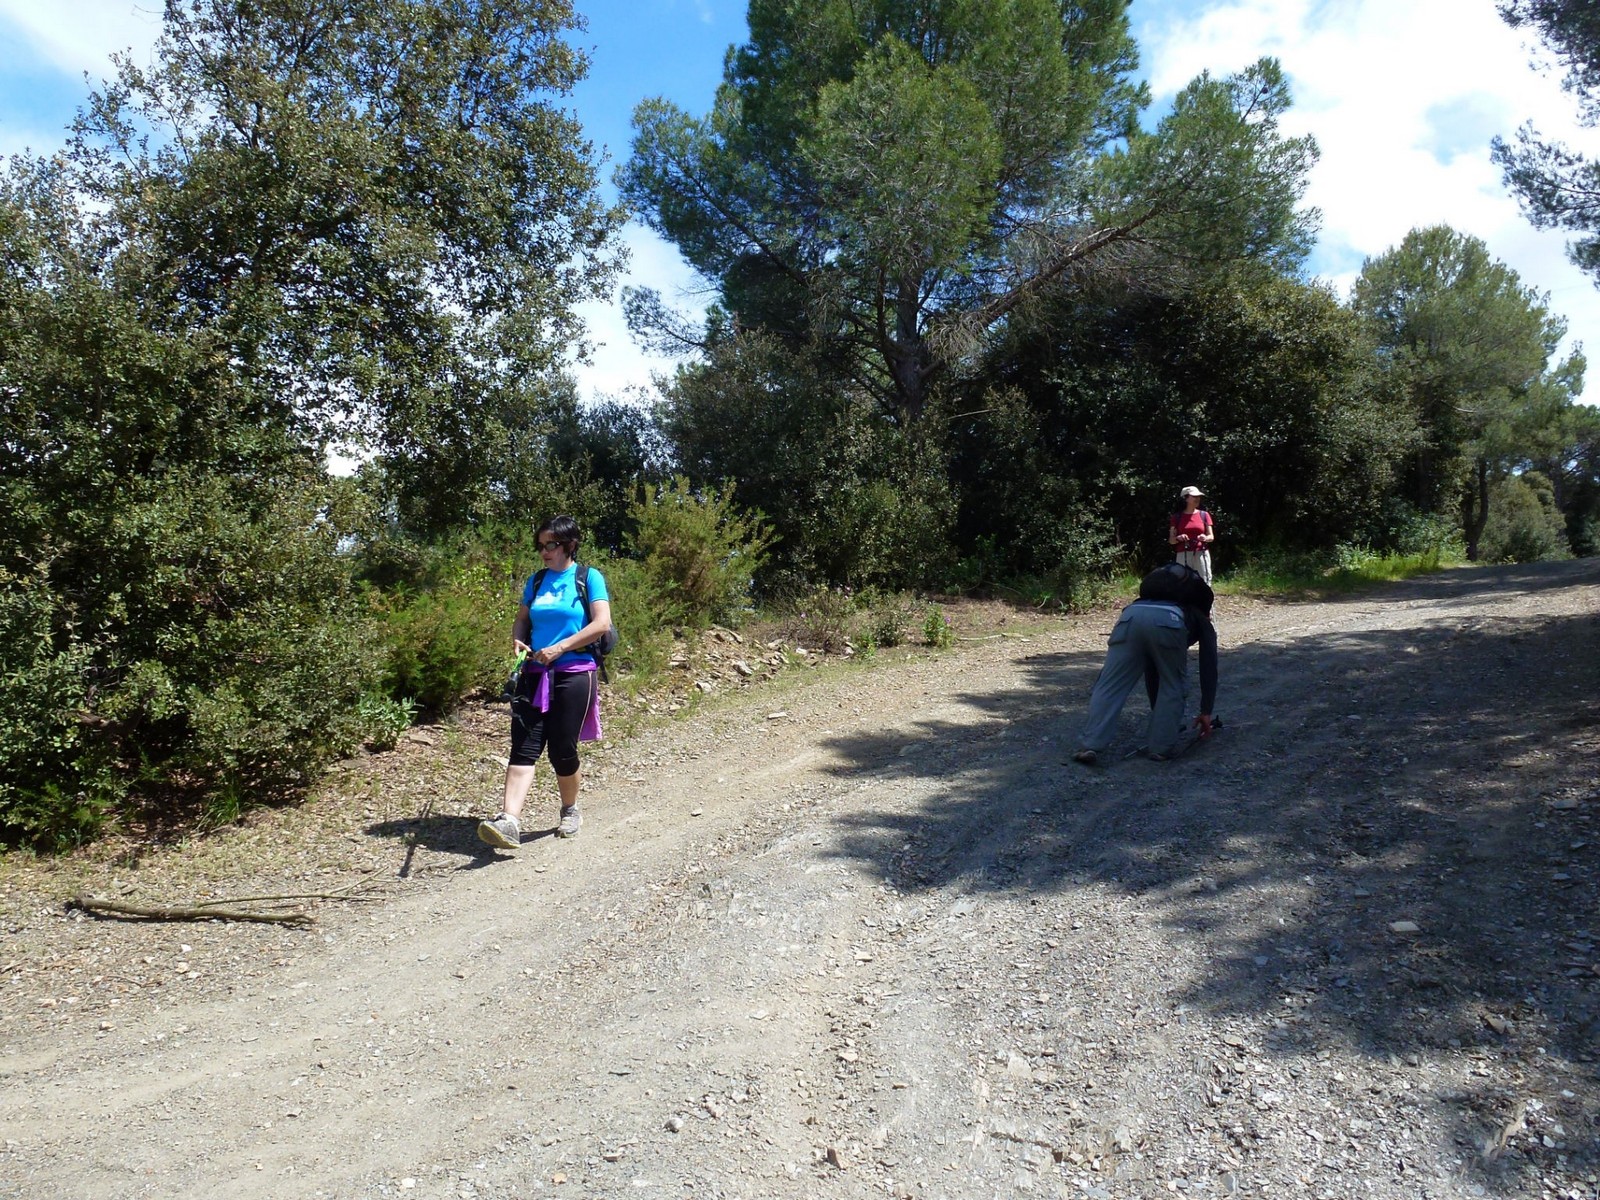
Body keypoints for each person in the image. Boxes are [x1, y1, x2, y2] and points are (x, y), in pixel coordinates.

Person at [478, 515, 612, 849]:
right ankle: (509, 821)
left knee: (562, 749)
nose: (544, 552)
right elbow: (522, 620)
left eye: (550, 545)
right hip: (534, 673)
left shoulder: (588, 578)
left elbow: (601, 624)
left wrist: (560, 648)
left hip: (575, 672)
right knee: (523, 746)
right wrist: (517, 639)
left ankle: (570, 809)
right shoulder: (536, 581)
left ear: (570, 544)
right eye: (540, 546)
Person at [1073, 561, 1217, 764]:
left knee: (1110, 684)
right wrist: (1206, 711)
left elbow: (1152, 669)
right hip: (1169, 622)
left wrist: (1157, 711)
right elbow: (1208, 664)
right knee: (1173, 684)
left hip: (1130, 616)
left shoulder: (1150, 597)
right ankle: (1160, 748)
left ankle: (1090, 745)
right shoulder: (1199, 617)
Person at [1169, 485, 1215, 583]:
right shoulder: (1176, 517)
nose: (1198, 498)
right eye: (1194, 496)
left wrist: (1205, 538)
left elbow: (1211, 536)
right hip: (1182, 553)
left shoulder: (1204, 515)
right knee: (1182, 582)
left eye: (1198, 496)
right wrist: (1178, 538)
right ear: (1185, 498)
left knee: (1205, 581)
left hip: (1201, 552)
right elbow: (1171, 540)